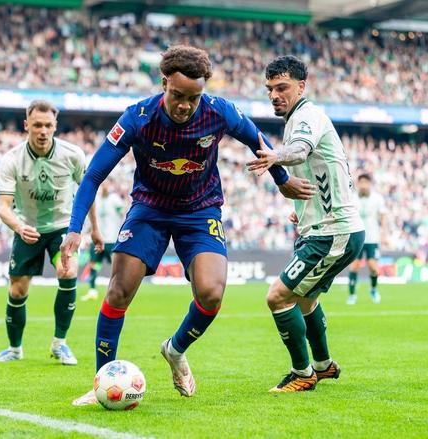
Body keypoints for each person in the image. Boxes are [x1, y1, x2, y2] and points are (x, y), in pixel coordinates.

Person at [60, 46, 316, 406]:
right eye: (178, 96)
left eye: (193, 98)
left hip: (199, 210)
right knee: (119, 290)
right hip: (149, 209)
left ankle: (176, 349)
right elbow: (93, 175)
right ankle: (102, 380)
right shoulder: (138, 118)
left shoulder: (218, 111)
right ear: (164, 83)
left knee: (211, 293)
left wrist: (282, 179)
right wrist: (75, 228)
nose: (185, 105)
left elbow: (257, 139)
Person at [247, 55, 365, 392]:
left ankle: (302, 373)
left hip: (332, 233)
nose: (274, 95)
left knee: (277, 297)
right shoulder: (299, 118)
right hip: (328, 228)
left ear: (301, 86)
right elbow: (323, 169)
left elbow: (299, 151)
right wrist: (304, 209)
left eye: (282, 87)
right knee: (305, 300)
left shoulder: (306, 116)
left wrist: (275, 156)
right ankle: (323, 366)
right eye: (270, 89)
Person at [0, 100, 103, 364]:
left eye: (48, 125)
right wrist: (19, 227)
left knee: (68, 271)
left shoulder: (72, 155)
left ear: (55, 126)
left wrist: (95, 228)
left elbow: (88, 191)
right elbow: (3, 207)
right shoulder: (12, 159)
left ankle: (59, 344)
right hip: (27, 228)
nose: (42, 131)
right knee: (17, 290)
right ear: (26, 125)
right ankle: (14, 349)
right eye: (37, 125)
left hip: (63, 227)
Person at [81, 181, 126, 302]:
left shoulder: (115, 199)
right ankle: (92, 291)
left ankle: (119, 291)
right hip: (97, 239)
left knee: (116, 267)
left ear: (111, 186)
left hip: (112, 239)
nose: (105, 186)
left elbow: (124, 214)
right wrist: (85, 233)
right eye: (103, 184)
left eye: (107, 184)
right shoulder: (97, 200)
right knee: (93, 264)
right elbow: (91, 219)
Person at [347, 173, 386, 305]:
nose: (363, 185)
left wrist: (384, 234)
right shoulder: (352, 198)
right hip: (356, 237)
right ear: (358, 184)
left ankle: (373, 289)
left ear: (370, 184)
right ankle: (352, 295)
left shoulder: (378, 198)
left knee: (373, 267)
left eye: (366, 183)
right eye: (361, 183)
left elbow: (383, 216)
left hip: (372, 238)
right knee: (354, 266)